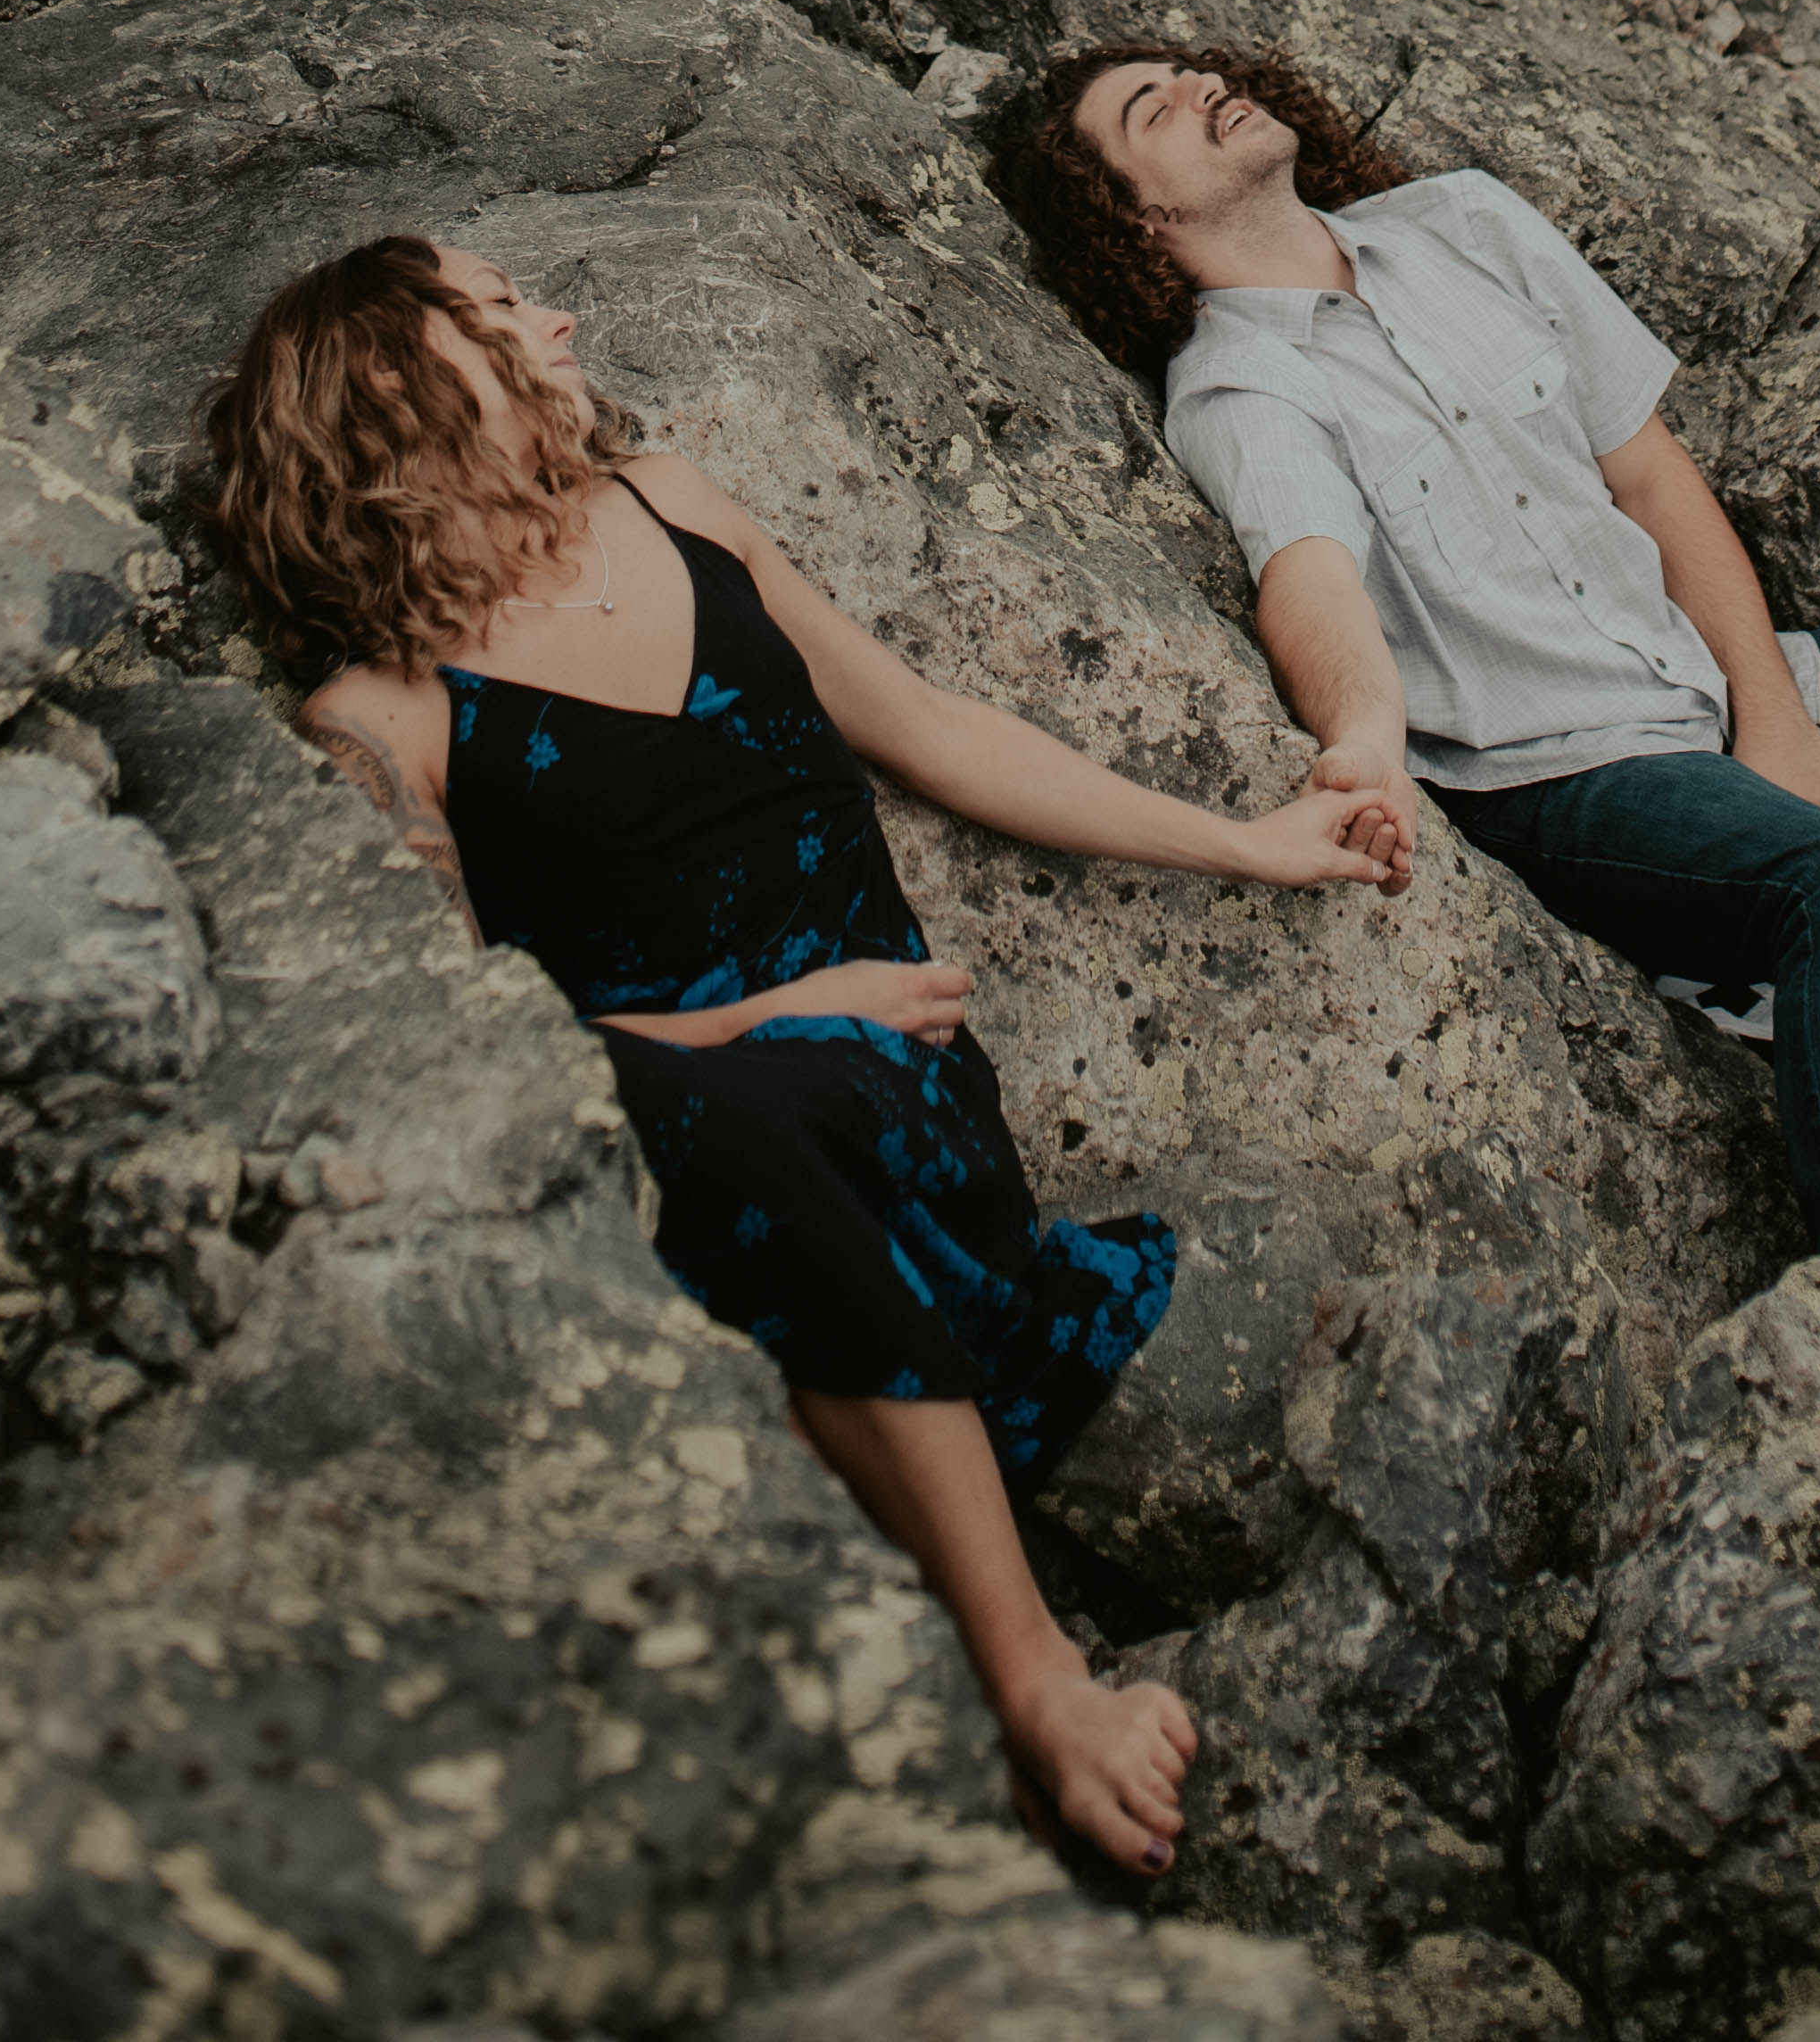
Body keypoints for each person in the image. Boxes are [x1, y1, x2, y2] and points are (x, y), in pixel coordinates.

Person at [196, 229, 1414, 1881]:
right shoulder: (387, 713)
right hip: (662, 1100)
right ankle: (1034, 1677)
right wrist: (745, 1024)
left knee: (770, 1116)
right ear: (401, 405)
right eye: (497, 316)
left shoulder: (673, 513)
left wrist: (1245, 844)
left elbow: (930, 730)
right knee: (710, 1110)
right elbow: (439, 1047)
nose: (555, 316)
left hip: (892, 1089)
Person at [989, 45, 1820, 1308]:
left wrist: (1772, 713)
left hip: (1701, 683)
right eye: (1155, 109)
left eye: (1191, 65)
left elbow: (1649, 475)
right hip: (1564, 773)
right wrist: (1363, 739)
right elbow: (1309, 582)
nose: (1201, 86)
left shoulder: (1464, 223)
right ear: (1136, 215)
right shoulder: (1240, 388)